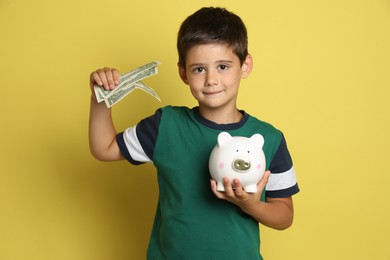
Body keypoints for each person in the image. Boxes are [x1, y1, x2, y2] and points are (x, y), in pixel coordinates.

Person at [88, 6, 299, 260]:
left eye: (223, 66)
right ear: (183, 72)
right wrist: (101, 98)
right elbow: (104, 148)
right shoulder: (165, 126)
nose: (211, 79)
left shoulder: (270, 138)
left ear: (245, 65)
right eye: (199, 69)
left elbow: (284, 215)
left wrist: (251, 205)